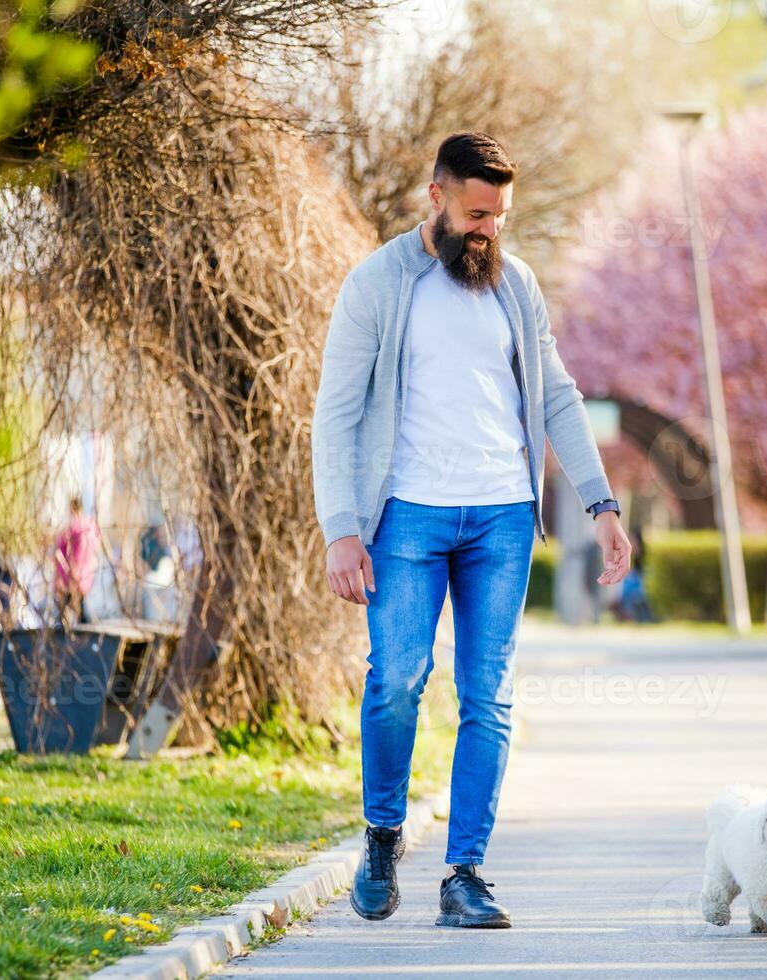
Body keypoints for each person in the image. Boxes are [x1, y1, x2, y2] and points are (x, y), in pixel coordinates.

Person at [312, 132, 631, 929]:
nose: (489, 229)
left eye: (500, 216)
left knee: (488, 697)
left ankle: (464, 874)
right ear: (437, 196)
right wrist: (340, 528)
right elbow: (336, 414)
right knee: (396, 678)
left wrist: (602, 504)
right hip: (407, 515)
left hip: (501, 516)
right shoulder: (378, 285)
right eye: (477, 212)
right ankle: (383, 834)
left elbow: (557, 394)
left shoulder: (515, 286)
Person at [52, 495, 101, 626]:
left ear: (71, 508)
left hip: (70, 576)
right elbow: (95, 549)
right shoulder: (91, 527)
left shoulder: (73, 529)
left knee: (67, 609)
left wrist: (64, 574)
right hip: (85, 575)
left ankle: (69, 634)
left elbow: (61, 552)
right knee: (78, 607)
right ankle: (81, 629)